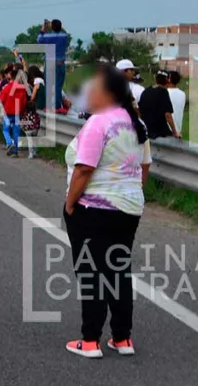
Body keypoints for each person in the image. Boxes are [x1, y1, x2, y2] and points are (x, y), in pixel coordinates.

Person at [63, 65, 151, 359]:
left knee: (92, 273)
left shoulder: (99, 123)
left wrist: (70, 203)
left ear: (107, 93)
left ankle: (89, 341)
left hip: (95, 208)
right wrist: (130, 192)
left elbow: (84, 169)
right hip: (129, 209)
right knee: (118, 271)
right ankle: (123, 338)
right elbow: (144, 166)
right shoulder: (136, 123)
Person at [37, 19, 69, 110]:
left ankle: (49, 106)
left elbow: (39, 39)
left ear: (51, 27)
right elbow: (62, 31)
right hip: (60, 63)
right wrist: (54, 25)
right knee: (58, 86)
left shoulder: (47, 36)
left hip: (50, 62)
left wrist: (44, 26)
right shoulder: (64, 36)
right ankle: (58, 107)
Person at [138, 71, 179, 140]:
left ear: (155, 79)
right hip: (160, 132)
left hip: (147, 131)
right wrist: (175, 132)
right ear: (168, 80)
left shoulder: (146, 91)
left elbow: (139, 110)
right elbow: (168, 114)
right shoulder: (163, 92)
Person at [0, 68, 28, 157]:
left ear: (11, 76)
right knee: (16, 132)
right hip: (17, 113)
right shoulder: (22, 89)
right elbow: (24, 102)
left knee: (5, 130)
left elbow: (1, 100)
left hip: (8, 112)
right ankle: (15, 152)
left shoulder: (7, 87)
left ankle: (9, 143)